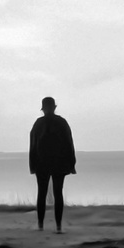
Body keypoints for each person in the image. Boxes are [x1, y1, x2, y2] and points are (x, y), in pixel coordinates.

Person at [28, 96, 76, 232]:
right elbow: (69, 144)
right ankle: (58, 226)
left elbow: (32, 145)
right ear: (54, 108)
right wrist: (71, 163)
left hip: (41, 163)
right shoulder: (61, 122)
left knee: (42, 193)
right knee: (57, 193)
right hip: (59, 163)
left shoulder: (38, 124)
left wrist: (32, 165)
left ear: (43, 109)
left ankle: (41, 225)